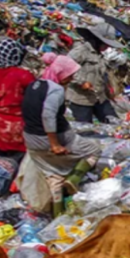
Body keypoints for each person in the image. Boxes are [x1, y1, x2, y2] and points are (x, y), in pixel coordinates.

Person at [22, 54, 101, 216]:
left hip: (31, 140)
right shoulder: (55, 90)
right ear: (60, 73)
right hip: (53, 138)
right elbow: (48, 115)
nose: (71, 79)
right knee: (94, 150)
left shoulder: (34, 84)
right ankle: (73, 180)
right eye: (69, 75)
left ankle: (58, 217)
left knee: (53, 174)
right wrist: (55, 144)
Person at [67, 22, 121, 124]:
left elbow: (101, 75)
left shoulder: (100, 54)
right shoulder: (80, 52)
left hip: (99, 97)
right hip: (81, 99)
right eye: (105, 44)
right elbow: (66, 69)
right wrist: (81, 82)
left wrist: (109, 92)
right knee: (85, 128)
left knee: (114, 123)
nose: (107, 47)